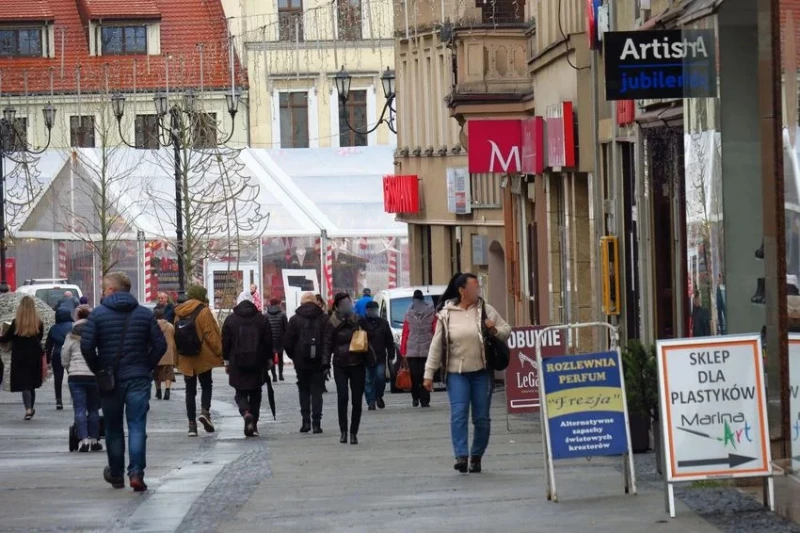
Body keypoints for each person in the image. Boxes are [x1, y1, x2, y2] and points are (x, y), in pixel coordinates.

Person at [81, 272, 167, 492]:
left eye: (104, 288)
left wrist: (98, 369)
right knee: (137, 425)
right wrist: (145, 365)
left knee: (113, 427)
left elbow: (87, 346)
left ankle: (116, 474)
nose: (102, 292)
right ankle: (136, 472)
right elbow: (160, 345)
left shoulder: (98, 315)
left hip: (110, 378)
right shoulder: (144, 314)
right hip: (138, 377)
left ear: (112, 290)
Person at [424, 273, 510, 474]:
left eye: (478, 287)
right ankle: (461, 455)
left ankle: (476, 455)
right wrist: (429, 373)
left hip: (481, 372)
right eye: (474, 287)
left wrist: (494, 330)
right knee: (459, 414)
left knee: (481, 418)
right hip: (457, 373)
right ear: (462, 291)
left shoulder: (485, 310)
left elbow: (507, 329)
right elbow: (436, 345)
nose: (477, 290)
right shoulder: (446, 314)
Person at [174, 285, 223, 437]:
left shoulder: (179, 312)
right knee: (206, 384)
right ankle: (205, 412)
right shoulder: (204, 311)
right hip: (202, 356)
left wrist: (176, 359)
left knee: (190, 390)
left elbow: (176, 336)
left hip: (186, 357)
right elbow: (210, 335)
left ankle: (191, 425)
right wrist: (220, 352)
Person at [222, 292, 273, 437]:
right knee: (256, 392)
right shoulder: (261, 319)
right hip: (258, 361)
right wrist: (268, 358)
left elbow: (225, 342)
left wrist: (226, 361)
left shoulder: (231, 320)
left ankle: (245, 413)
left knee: (240, 392)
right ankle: (254, 425)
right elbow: (268, 340)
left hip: (237, 362)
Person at [324, 292, 372, 445]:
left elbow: (367, 338)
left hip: (357, 363)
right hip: (340, 364)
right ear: (337, 306)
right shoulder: (331, 322)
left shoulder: (358, 320)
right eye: (344, 304)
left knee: (357, 400)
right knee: (343, 397)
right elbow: (327, 345)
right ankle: (343, 431)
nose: (347, 306)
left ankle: (353, 432)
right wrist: (325, 364)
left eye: (349, 304)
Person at [285, 292, 330, 434]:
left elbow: (288, 342)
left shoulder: (294, 319)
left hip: (301, 362)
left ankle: (305, 422)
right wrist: (326, 358)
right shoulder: (324, 318)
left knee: (303, 389)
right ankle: (317, 423)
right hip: (318, 361)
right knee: (317, 391)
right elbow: (329, 340)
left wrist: (294, 357)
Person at [61, 306, 102, 452]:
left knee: (79, 408)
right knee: (93, 409)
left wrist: (69, 368)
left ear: (77, 318)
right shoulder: (97, 334)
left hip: (76, 376)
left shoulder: (70, 335)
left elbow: (64, 356)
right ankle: (95, 439)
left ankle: (84, 441)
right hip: (93, 376)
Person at [0, 296, 44, 420]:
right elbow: (40, 337)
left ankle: (28, 409)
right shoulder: (38, 323)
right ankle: (31, 407)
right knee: (31, 383)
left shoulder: (15, 323)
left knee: (24, 383)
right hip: (34, 355)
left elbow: (6, 338)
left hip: (20, 355)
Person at [399, 289, 436, 407]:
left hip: (426, 348)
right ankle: (415, 397)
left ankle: (425, 399)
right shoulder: (409, 313)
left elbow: (435, 330)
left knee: (425, 374)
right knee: (414, 375)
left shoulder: (431, 312)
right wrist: (403, 350)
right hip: (412, 350)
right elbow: (405, 332)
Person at [362, 301, 394, 411]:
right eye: (370, 310)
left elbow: (389, 340)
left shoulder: (383, 323)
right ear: (366, 311)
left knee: (380, 378)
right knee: (368, 380)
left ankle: (379, 395)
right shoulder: (361, 323)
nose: (372, 312)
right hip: (365, 357)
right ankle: (371, 401)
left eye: (374, 310)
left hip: (380, 356)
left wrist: (391, 354)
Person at [45, 306, 73, 410]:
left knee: (58, 378)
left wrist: (47, 360)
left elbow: (48, 346)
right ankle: (74, 397)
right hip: (71, 354)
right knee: (73, 376)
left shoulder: (54, 328)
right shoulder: (73, 326)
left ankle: (59, 400)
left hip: (57, 354)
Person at [153, 309, 176, 400]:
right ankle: (167, 390)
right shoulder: (170, 326)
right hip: (168, 353)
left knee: (156, 373)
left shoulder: (153, 326)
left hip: (157, 353)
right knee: (168, 373)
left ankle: (158, 391)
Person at [265, 298, 288, 382]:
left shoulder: (266, 315)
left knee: (271, 358)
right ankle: (281, 375)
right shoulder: (282, 315)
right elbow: (286, 329)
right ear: (278, 304)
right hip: (280, 339)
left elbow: (265, 329)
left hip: (270, 340)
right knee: (280, 358)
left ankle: (274, 376)